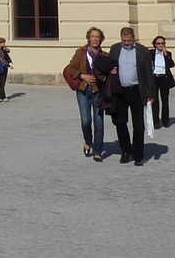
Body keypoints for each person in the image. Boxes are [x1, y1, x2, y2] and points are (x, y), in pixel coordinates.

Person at [94, 25, 157, 166]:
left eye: (128, 41)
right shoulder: (115, 49)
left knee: (139, 125)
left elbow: (148, 73)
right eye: (124, 40)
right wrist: (111, 70)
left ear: (133, 38)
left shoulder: (142, 51)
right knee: (120, 122)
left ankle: (138, 154)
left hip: (136, 91)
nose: (126, 43)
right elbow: (109, 65)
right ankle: (126, 150)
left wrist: (151, 93)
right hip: (120, 91)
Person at [63, 27, 107, 160]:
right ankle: (88, 141)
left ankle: (98, 150)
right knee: (86, 121)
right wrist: (82, 76)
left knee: (99, 122)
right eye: (93, 36)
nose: (95, 39)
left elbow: (108, 73)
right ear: (88, 38)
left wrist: (101, 78)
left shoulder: (104, 55)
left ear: (101, 39)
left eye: (97, 37)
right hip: (83, 90)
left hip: (98, 91)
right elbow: (70, 68)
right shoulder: (81, 52)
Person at [150, 35, 175, 128]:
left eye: (162, 43)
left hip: (164, 78)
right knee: (154, 100)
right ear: (155, 44)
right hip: (154, 77)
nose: (161, 45)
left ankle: (165, 121)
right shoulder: (151, 53)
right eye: (158, 43)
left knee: (165, 100)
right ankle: (156, 121)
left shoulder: (168, 53)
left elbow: (171, 65)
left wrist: (166, 55)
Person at [0, 38, 12, 102]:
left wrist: (4, 47)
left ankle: (0, 96)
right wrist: (8, 65)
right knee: (2, 81)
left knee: (3, 82)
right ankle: (3, 96)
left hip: (5, 66)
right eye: (2, 43)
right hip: (1, 66)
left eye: (4, 42)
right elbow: (1, 59)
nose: (4, 44)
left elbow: (9, 51)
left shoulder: (3, 49)